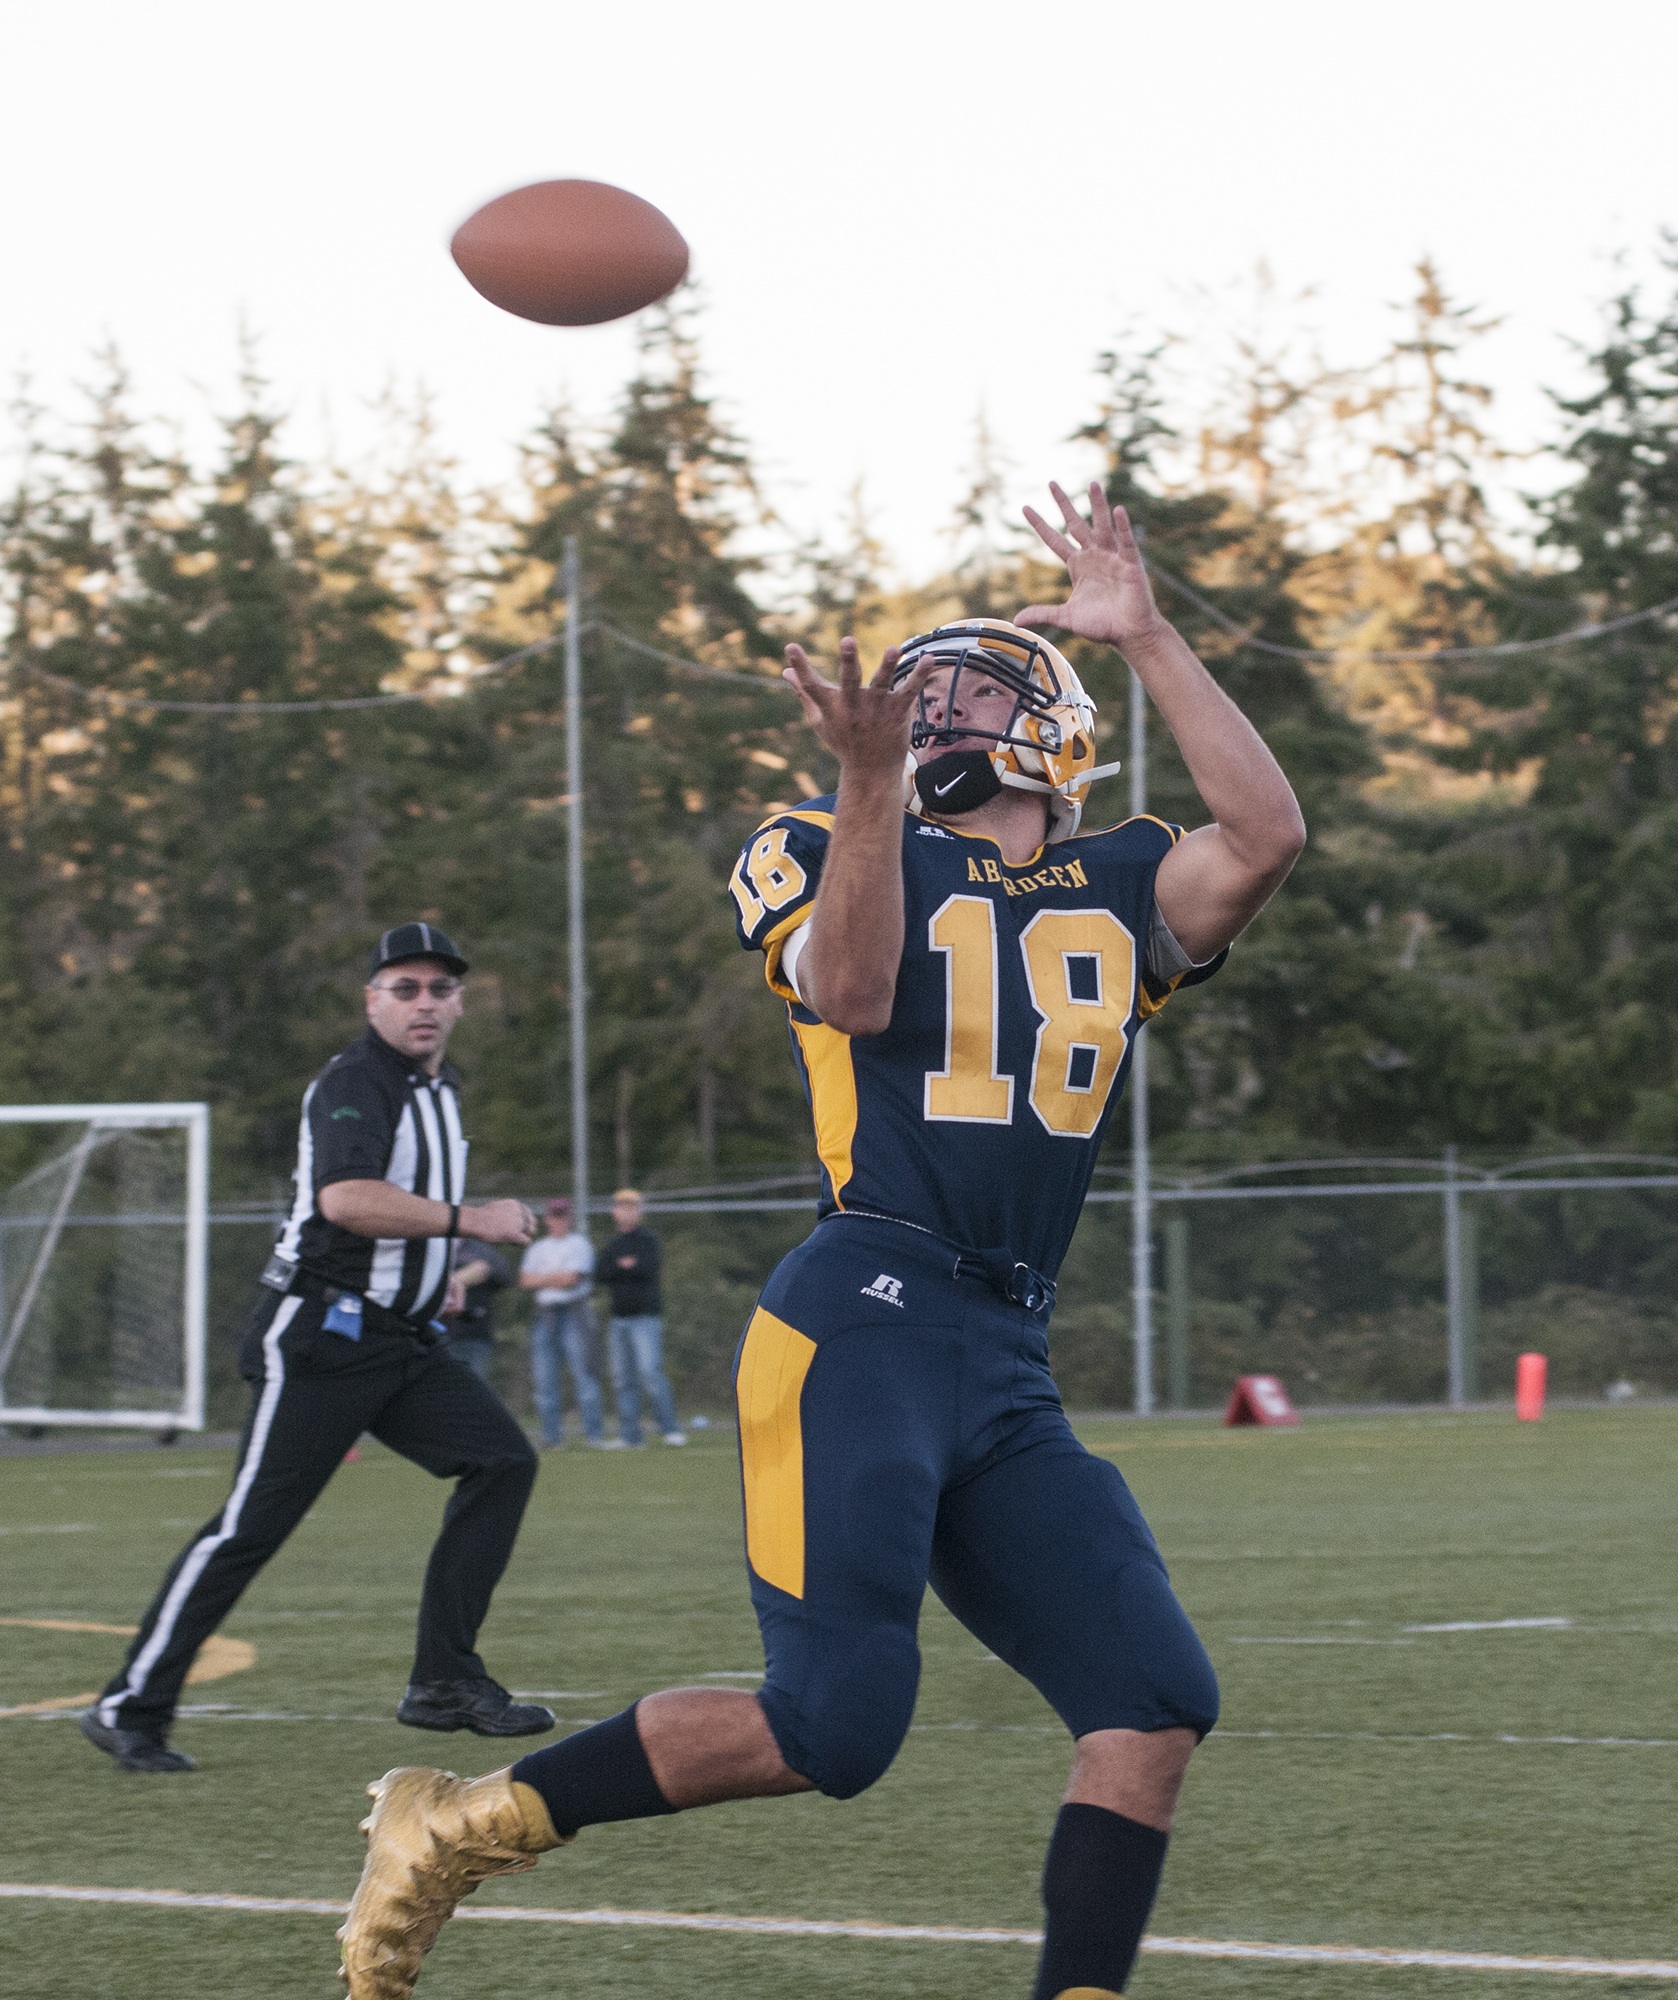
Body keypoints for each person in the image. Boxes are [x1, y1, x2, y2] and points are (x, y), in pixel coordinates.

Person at [336, 485, 1306, 2000]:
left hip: (1001, 1346)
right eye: (917, 699)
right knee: (833, 1728)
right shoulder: (817, 836)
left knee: (1152, 1704)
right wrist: (864, 788)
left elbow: (1269, 831)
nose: (931, 714)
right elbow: (852, 993)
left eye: (970, 688)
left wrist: (1155, 635)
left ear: (1051, 720)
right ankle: (458, 1830)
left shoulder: (1122, 880)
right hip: (862, 1310)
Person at [83, 924, 558, 1776]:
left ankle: (444, 1682)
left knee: (501, 1461)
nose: (424, 1003)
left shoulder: (440, 1086)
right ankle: (130, 1705)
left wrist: (434, 1272)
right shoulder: (355, 1081)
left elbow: (398, 1210)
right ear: (371, 998)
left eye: (439, 989)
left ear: (459, 1002)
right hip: (321, 1338)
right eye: (404, 988)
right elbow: (346, 1200)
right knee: (248, 1529)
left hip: (399, 1339)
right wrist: (473, 1223)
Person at [596, 1187, 683, 1447]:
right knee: (623, 1379)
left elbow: (647, 1268)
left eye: (631, 1207)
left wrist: (625, 1268)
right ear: (614, 1212)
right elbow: (601, 1273)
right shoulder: (612, 1244)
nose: (626, 1212)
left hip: (645, 1317)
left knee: (651, 1373)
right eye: (621, 1207)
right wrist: (624, 1267)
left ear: (639, 1211)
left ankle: (670, 1429)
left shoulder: (648, 1240)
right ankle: (630, 1435)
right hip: (618, 1319)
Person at [518, 1198, 605, 1448]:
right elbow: (524, 1281)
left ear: (569, 1218)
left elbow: (572, 1279)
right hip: (544, 1315)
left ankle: (594, 1436)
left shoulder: (579, 1244)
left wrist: (542, 1278)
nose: (558, 1221)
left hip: (573, 1314)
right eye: (554, 1216)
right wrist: (557, 1277)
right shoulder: (538, 1248)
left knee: (584, 1376)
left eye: (563, 1216)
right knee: (545, 1380)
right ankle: (551, 1437)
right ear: (547, 1219)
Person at [444, 1238, 511, 1382]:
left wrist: (486, 1270)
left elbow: (506, 1276)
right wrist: (458, 1279)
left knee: (474, 1386)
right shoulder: (436, 1244)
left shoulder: (480, 1248)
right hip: (438, 1335)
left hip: (475, 1334)